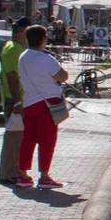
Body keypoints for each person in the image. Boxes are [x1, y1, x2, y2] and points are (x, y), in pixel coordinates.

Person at [15, 25, 68, 189]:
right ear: (43, 39)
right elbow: (63, 76)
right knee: (47, 141)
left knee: (28, 139)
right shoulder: (45, 58)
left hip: (29, 102)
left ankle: (23, 175)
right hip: (47, 103)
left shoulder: (22, 57)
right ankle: (44, 176)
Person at [0, 19, 27, 186]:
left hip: (17, 98)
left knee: (18, 138)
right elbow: (12, 76)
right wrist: (17, 101)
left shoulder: (17, 48)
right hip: (14, 98)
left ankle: (14, 170)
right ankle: (8, 173)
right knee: (13, 138)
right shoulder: (13, 49)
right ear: (21, 32)